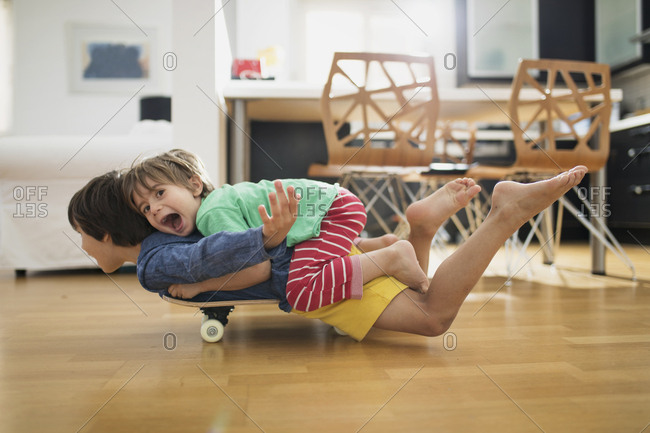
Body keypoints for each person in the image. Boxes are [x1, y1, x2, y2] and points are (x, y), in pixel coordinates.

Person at [70, 165, 587, 340]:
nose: (83, 247)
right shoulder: (172, 237)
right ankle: (420, 230)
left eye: (83, 235)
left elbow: (244, 261)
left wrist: (204, 286)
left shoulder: (157, 262)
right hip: (319, 243)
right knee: (413, 290)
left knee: (432, 318)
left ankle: (505, 214)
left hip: (312, 275)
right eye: (147, 204)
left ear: (108, 234)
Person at [122, 149, 433, 312]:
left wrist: (201, 287)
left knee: (301, 290)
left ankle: (391, 258)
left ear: (194, 184)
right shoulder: (219, 202)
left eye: (159, 194)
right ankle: (377, 246)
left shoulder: (211, 213)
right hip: (333, 205)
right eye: (145, 208)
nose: (155, 209)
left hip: (328, 213)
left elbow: (258, 269)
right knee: (312, 259)